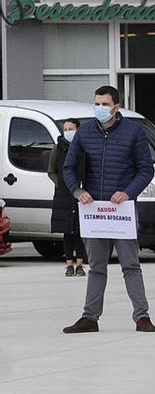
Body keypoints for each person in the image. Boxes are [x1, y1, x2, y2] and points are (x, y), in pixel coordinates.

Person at [61, 85, 155, 333]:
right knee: (96, 266)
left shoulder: (133, 132)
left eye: (104, 104)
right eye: (96, 103)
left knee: (130, 265)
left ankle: (142, 316)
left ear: (116, 106)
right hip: (94, 210)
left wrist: (128, 192)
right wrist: (77, 191)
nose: (99, 108)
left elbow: (146, 169)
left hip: (121, 210)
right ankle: (89, 317)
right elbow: (68, 168)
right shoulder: (84, 133)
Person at [48, 118, 83, 277]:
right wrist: (61, 184)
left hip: (81, 194)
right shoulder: (58, 148)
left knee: (80, 231)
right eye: (66, 129)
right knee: (67, 231)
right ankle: (69, 264)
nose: (68, 132)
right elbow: (51, 171)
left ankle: (80, 264)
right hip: (63, 195)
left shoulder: (83, 146)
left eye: (71, 128)